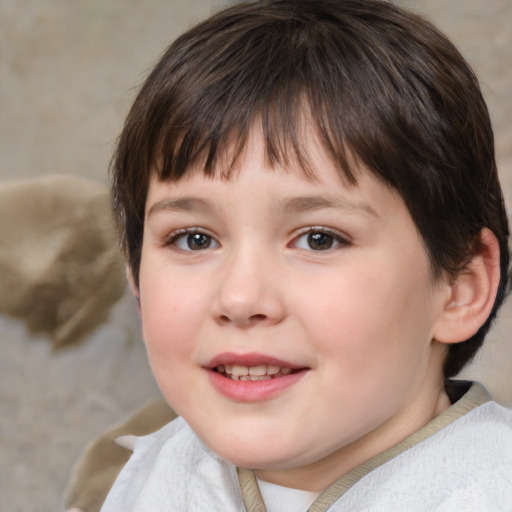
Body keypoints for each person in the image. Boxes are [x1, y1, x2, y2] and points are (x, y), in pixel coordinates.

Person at [66, 0, 512, 510]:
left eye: (319, 239)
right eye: (194, 238)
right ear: (136, 277)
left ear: (460, 288)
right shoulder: (153, 478)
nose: (239, 297)